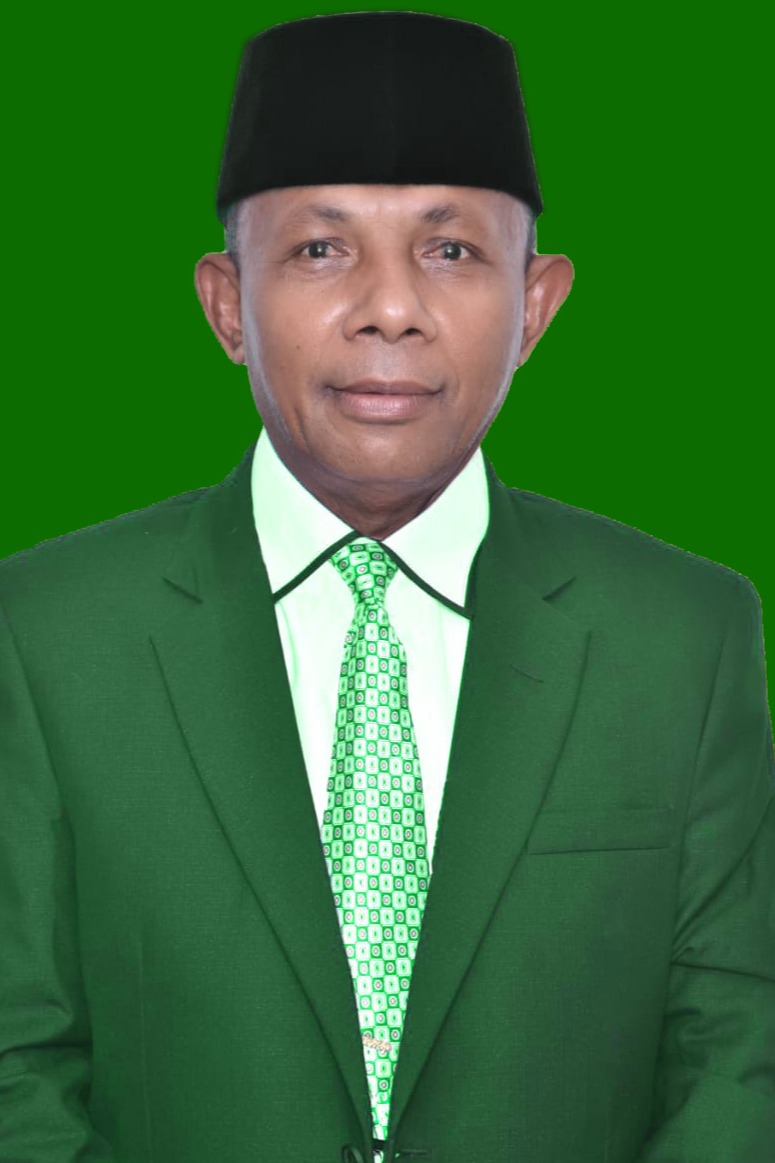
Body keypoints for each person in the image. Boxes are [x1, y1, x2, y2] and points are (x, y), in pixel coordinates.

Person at [1, 10, 773, 1161]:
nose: (390, 307)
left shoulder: (682, 636)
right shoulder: (46, 631)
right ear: (224, 303)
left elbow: (737, 1050)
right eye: (321, 249)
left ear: (535, 305)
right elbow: (17, 1060)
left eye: (450, 250)